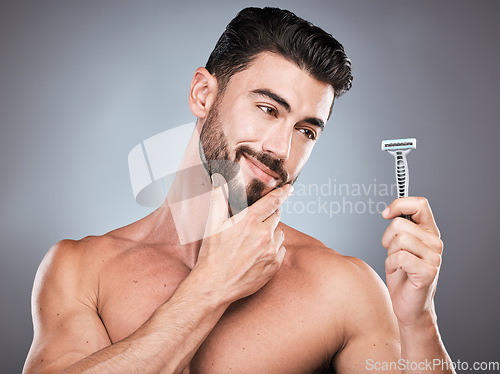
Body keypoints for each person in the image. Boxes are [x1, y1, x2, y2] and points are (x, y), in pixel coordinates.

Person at [23, 7, 455, 374]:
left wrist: (418, 321)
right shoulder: (80, 271)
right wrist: (210, 287)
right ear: (202, 94)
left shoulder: (344, 290)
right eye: (268, 109)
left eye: (306, 130)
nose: (281, 149)